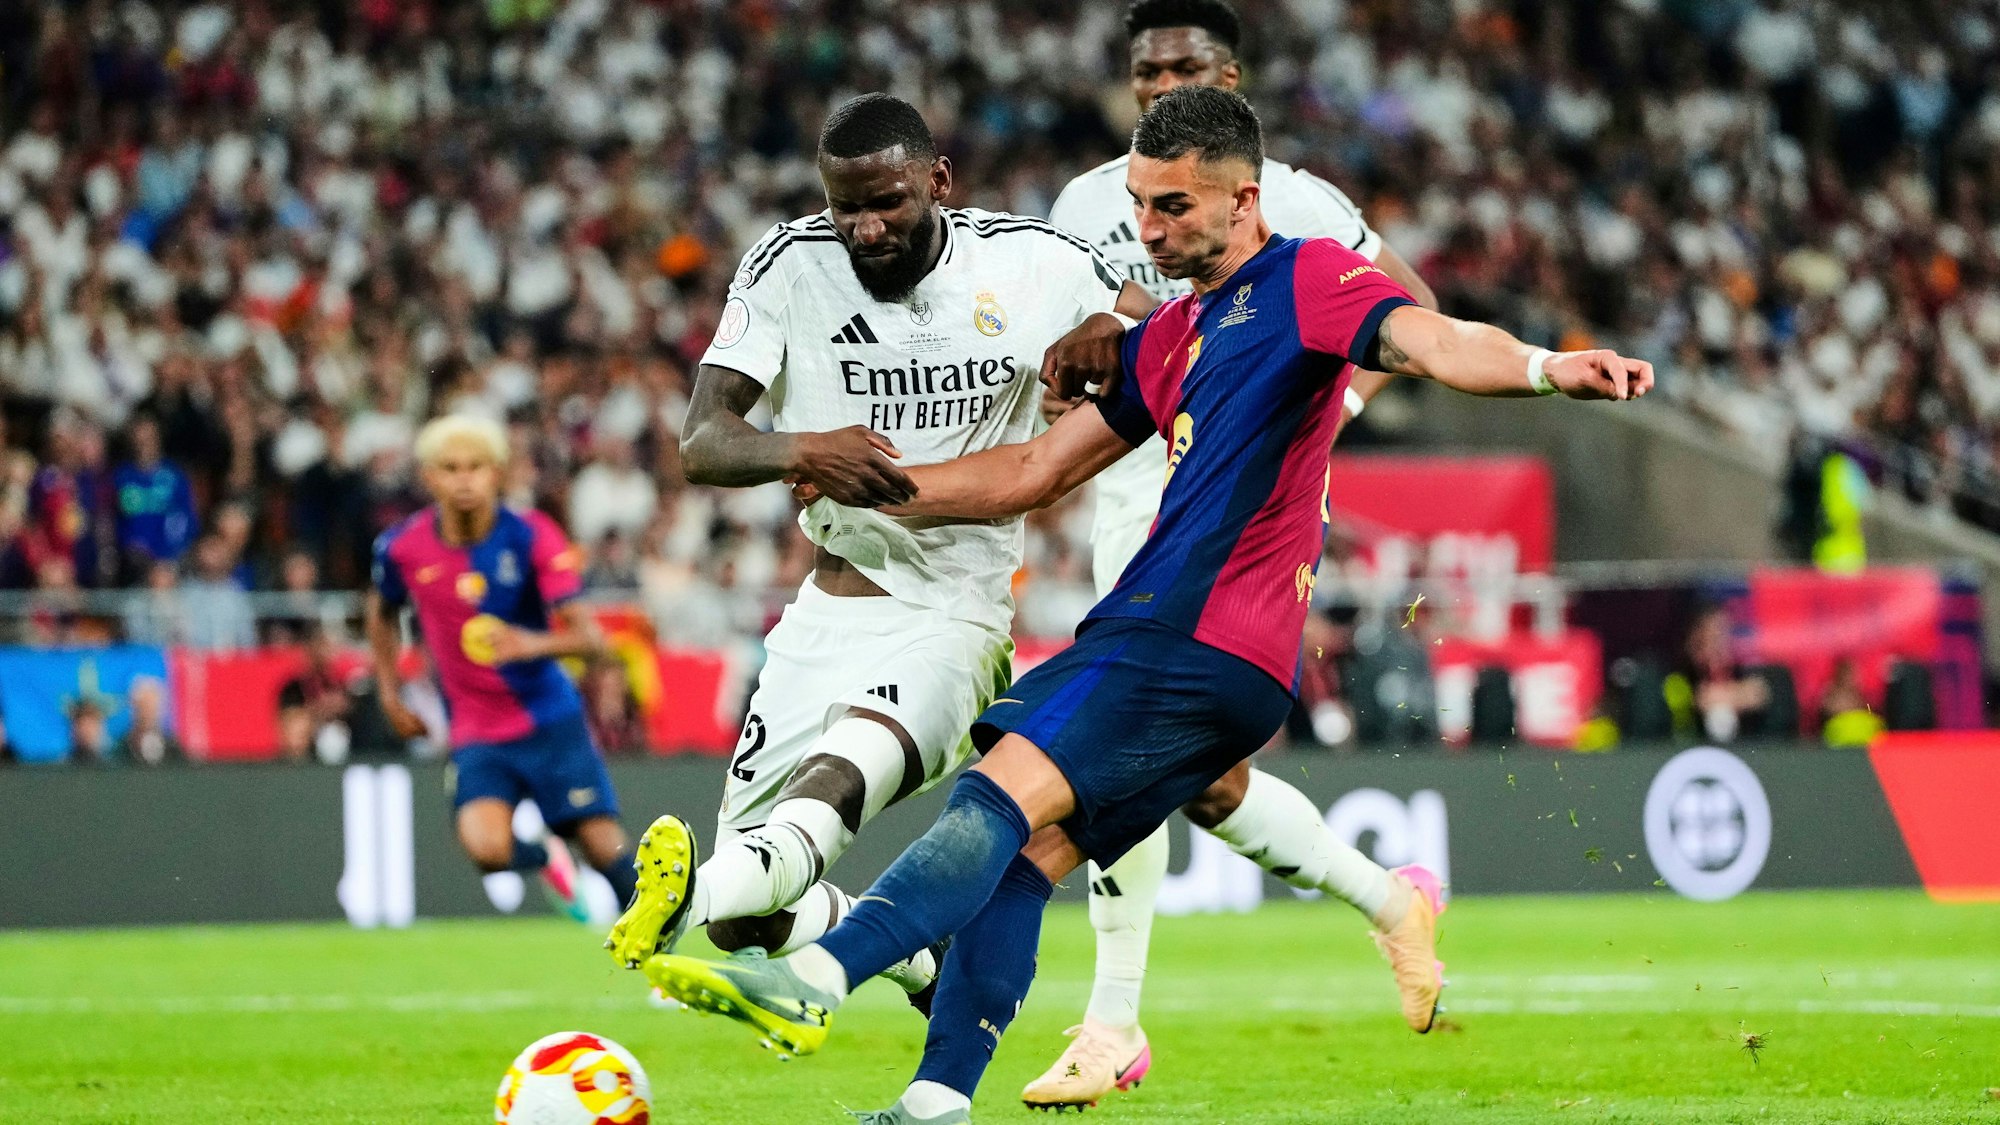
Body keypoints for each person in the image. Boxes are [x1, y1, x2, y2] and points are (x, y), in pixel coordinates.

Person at [637, 86, 1652, 1124]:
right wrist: (858, 483)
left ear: (1242, 201)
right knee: (1022, 862)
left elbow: (1429, 342)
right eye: (1137, 203)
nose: (1144, 229)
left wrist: (1544, 365)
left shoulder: (1304, 278)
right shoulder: (1169, 334)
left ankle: (814, 981)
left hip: (1188, 631)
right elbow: (1031, 470)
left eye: (1171, 207)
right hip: (1207, 653)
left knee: (990, 801)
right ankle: (934, 1102)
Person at [601, 92, 1156, 1014]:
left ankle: (690, 893)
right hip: (825, 612)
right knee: (754, 920)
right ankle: (913, 959)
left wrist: (1120, 327)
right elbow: (702, 441)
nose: (865, 227)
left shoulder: (1032, 263)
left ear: (939, 180)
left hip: (957, 608)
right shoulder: (788, 266)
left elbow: (1170, 329)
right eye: (844, 205)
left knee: (831, 787)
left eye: (888, 202)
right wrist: (801, 448)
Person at [1029, 0, 1449, 1099]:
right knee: (1206, 783)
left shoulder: (1295, 199)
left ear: (1230, 71)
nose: (1160, 84)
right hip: (1127, 493)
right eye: (1143, 69)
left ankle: (1109, 1024)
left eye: (1184, 66)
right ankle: (1386, 900)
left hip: (1240, 505)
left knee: (1116, 743)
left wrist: (1331, 413)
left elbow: (1411, 302)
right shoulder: (1087, 201)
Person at [367, 414, 638, 924]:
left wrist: (529, 643)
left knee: (605, 850)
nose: (464, 478)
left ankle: (662, 967)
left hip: (549, 719)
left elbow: (592, 641)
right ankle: (547, 858)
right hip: (476, 730)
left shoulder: (532, 536)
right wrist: (388, 693)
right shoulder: (402, 548)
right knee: (487, 850)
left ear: (497, 473)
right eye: (450, 468)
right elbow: (380, 612)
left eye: (476, 467)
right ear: (429, 477)